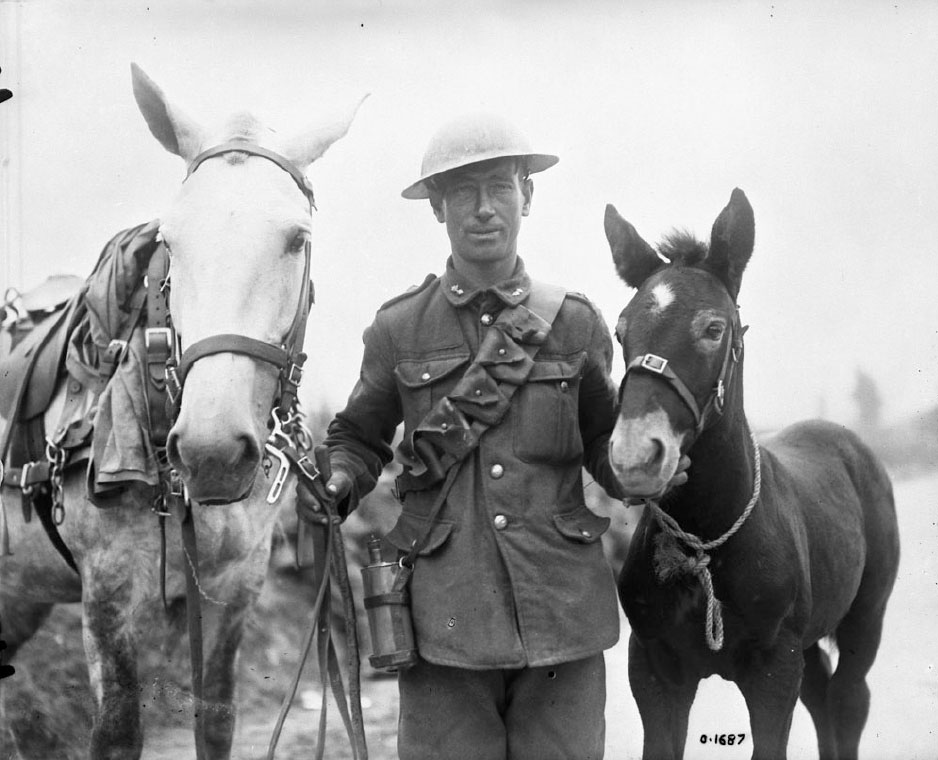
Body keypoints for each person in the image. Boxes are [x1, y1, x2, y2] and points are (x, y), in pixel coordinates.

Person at [297, 113, 687, 760]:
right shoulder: (398, 330)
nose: (483, 210)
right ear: (438, 210)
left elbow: (602, 445)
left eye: (501, 188)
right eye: (463, 193)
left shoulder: (575, 324)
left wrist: (638, 476)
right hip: (444, 624)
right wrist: (339, 480)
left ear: (527, 198)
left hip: (562, 620)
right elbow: (358, 438)